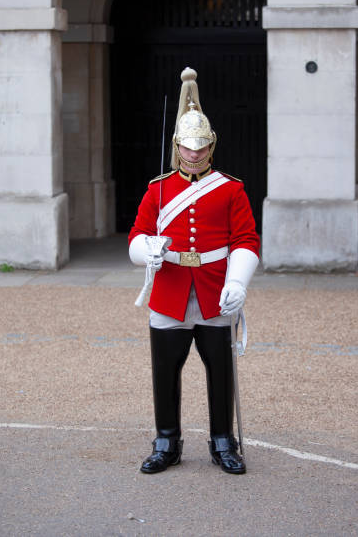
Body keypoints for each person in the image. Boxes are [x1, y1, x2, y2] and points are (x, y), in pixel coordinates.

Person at [128, 67, 260, 474]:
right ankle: (167, 440)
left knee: (221, 372)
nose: (194, 153)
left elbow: (246, 240)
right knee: (165, 371)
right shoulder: (158, 189)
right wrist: (146, 250)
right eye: (188, 146)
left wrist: (237, 282)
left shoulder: (231, 188)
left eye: (201, 146)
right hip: (170, 290)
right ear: (177, 146)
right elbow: (137, 235)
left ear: (211, 145)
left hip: (214, 289)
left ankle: (223, 441)